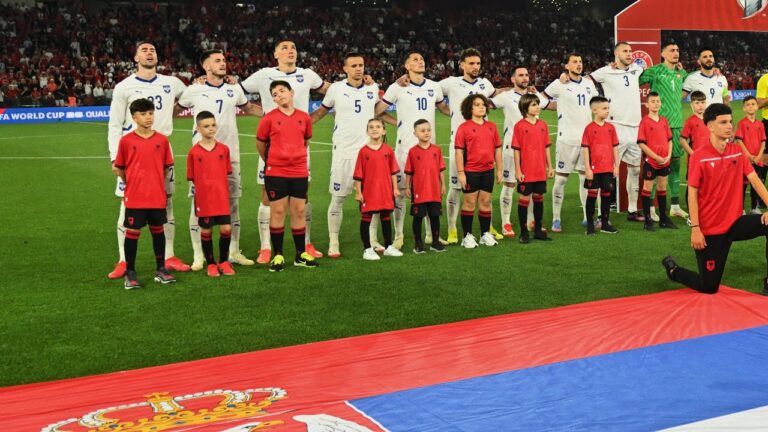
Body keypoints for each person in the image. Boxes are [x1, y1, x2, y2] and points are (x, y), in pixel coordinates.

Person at [662, 103, 768, 295]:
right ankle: (673, 271)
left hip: (735, 222)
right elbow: (692, 195)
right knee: (708, 287)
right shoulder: (699, 157)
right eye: (723, 122)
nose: (729, 126)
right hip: (710, 229)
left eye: (730, 122)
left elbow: (755, 180)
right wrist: (695, 229)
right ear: (710, 126)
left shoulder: (737, 151)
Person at [242, 40, 330, 263]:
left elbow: (332, 90)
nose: (290, 50)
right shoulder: (263, 75)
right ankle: (265, 248)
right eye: (284, 48)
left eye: (293, 48)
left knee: (303, 197)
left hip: (298, 152)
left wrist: (362, 82)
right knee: (267, 197)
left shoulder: (308, 74)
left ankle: (306, 244)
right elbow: (237, 90)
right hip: (273, 150)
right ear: (275, 54)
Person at [107, 41, 189, 279]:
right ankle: (123, 260)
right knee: (127, 203)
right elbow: (114, 124)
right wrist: (115, 157)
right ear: (136, 58)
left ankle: (169, 256)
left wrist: (204, 81)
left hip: (162, 148)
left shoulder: (172, 82)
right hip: (132, 152)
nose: (149, 53)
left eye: (152, 50)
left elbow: (191, 97)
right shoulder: (124, 87)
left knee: (167, 200)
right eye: (144, 50)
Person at [178, 49, 261, 270]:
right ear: (206, 66)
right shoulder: (194, 90)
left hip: (230, 155)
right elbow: (175, 108)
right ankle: (198, 255)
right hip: (202, 158)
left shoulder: (234, 88)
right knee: (197, 205)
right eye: (217, 61)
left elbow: (249, 107)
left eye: (224, 60)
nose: (223, 63)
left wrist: (274, 114)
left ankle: (233, 251)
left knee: (233, 203)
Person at [375, 51, 450, 250]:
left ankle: (430, 235)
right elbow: (377, 111)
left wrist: (463, 113)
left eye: (422, 59)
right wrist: (397, 122)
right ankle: (399, 235)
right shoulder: (397, 87)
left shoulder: (434, 86)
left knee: (431, 193)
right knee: (400, 193)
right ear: (406, 66)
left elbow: (444, 109)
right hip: (404, 149)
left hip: (429, 150)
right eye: (415, 60)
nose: (420, 61)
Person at [310, 53, 380, 258]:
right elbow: (320, 112)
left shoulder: (372, 88)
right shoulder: (336, 89)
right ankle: (334, 241)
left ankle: (372, 239)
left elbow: (379, 112)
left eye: (361, 65)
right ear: (345, 69)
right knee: (338, 198)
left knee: (370, 200)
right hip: (344, 152)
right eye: (354, 65)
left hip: (368, 153)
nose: (359, 69)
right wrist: (298, 126)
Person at [438, 48, 503, 244]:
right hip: (460, 144)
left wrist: (519, 88)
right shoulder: (451, 82)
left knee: (485, 193)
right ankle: (452, 228)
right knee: (456, 188)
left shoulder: (485, 83)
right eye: (471, 63)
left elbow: (497, 93)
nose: (476, 67)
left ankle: (487, 227)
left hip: (482, 145)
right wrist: (448, 111)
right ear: (462, 65)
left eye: (478, 63)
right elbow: (431, 91)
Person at [113, 98, 176, 289]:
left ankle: (161, 269)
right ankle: (130, 272)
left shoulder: (162, 140)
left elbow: (166, 167)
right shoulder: (126, 141)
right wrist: (134, 183)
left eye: (150, 113)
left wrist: (154, 183)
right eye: (143, 114)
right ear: (134, 117)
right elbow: (119, 168)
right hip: (135, 197)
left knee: (158, 231)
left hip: (156, 196)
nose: (148, 117)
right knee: (133, 233)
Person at [255, 81, 318, 272]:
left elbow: (305, 141)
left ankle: (300, 255)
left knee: (299, 211)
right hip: (276, 172)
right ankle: (278, 255)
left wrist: (295, 158)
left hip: (299, 171)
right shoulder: (268, 118)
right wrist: (274, 160)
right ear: (273, 100)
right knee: (278, 212)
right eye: (275, 94)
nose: (279, 95)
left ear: (291, 92)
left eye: (282, 91)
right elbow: (260, 144)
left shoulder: (304, 117)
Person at [491, 66, 553, 237]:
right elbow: (486, 104)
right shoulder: (506, 96)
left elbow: (552, 105)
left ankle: (532, 221)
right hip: (512, 148)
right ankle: (506, 222)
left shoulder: (534, 96)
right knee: (510, 184)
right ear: (513, 79)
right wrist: (495, 90)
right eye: (520, 75)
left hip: (533, 151)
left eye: (526, 75)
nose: (525, 78)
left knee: (533, 186)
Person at [589, 42, 645, 222]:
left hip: (635, 127)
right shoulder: (605, 71)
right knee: (606, 172)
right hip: (615, 127)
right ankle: (601, 214)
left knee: (634, 171)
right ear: (616, 54)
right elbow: (586, 80)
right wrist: (565, 77)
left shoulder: (636, 69)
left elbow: (646, 68)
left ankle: (632, 210)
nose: (629, 54)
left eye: (630, 51)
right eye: (625, 51)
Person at [543, 53, 598, 232]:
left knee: (585, 178)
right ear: (566, 66)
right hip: (566, 139)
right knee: (560, 179)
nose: (579, 64)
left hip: (586, 141)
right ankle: (556, 219)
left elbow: (596, 106)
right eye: (574, 62)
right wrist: (556, 106)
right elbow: (541, 99)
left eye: (580, 61)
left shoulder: (589, 84)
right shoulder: (559, 84)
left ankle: (587, 216)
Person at [640, 42, 688, 220]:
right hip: (658, 125)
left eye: (677, 50)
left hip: (677, 125)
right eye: (671, 50)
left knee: (675, 164)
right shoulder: (654, 71)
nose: (675, 53)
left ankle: (674, 206)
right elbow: (632, 80)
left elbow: (698, 78)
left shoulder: (682, 73)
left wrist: (716, 71)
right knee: (655, 165)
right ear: (663, 54)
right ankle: (651, 208)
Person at [186, 111, 236, 277]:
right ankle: (211, 263)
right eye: (206, 126)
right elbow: (192, 177)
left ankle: (223, 261)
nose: (211, 128)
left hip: (221, 196)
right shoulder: (194, 152)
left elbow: (226, 171)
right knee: (206, 231)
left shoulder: (224, 149)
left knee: (226, 228)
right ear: (198, 129)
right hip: (204, 198)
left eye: (213, 125)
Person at [455, 94, 502, 248]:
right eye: (477, 104)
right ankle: (467, 236)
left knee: (485, 202)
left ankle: (485, 234)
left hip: (488, 170)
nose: (481, 107)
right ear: (470, 108)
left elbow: (498, 149)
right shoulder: (463, 128)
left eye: (483, 104)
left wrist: (499, 169)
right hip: (470, 171)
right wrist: (461, 173)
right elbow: (459, 152)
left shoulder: (492, 126)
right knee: (469, 203)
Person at [353, 118, 403, 260]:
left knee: (386, 218)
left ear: (383, 131)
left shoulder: (388, 150)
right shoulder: (363, 152)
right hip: (369, 192)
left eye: (378, 126)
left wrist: (395, 188)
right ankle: (367, 249)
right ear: (367, 131)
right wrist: (358, 192)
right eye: (371, 127)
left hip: (385, 191)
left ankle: (388, 247)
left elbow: (393, 171)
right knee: (366, 219)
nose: (374, 129)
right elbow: (358, 175)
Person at [513, 94, 554, 244]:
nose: (537, 107)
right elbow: (516, 150)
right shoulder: (519, 126)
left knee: (539, 199)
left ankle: (538, 231)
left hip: (540, 170)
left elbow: (547, 147)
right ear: (525, 108)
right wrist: (518, 170)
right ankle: (524, 232)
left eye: (538, 104)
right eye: (534, 105)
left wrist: (550, 166)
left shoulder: (543, 125)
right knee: (524, 199)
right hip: (526, 170)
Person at [637, 92, 677, 231]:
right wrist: (655, 157)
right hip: (651, 161)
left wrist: (669, 155)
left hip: (665, 161)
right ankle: (648, 220)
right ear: (647, 105)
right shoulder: (644, 122)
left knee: (662, 188)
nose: (656, 103)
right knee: (647, 189)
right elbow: (641, 143)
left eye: (658, 101)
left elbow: (670, 140)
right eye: (653, 101)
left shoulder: (664, 120)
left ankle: (663, 219)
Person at [406, 119, 447, 254]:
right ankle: (418, 243)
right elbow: (409, 172)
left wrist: (443, 185)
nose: (426, 133)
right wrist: (407, 187)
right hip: (419, 190)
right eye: (422, 131)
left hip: (434, 190)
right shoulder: (412, 152)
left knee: (435, 217)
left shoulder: (437, 150)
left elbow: (441, 169)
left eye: (428, 130)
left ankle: (435, 242)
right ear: (415, 133)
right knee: (418, 217)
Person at [581, 96, 620, 235]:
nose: (607, 111)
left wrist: (616, 166)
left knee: (606, 196)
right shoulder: (589, 128)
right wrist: (587, 168)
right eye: (604, 108)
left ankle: (605, 224)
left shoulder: (611, 128)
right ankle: (590, 225)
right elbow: (585, 149)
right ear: (594, 111)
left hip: (608, 169)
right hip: (594, 170)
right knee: (592, 196)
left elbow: (615, 147)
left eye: (608, 108)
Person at [735, 96, 767, 214]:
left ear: (757, 107)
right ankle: (741, 209)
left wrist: (759, 156)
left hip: (758, 160)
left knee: (756, 184)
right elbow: (739, 141)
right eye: (747, 104)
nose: (751, 106)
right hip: (745, 160)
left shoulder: (760, 124)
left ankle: (754, 208)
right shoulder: (742, 123)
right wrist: (749, 156)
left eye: (753, 104)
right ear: (744, 108)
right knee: (743, 186)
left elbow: (763, 141)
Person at [680, 91, 709, 156]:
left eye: (703, 102)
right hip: (696, 157)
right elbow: (682, 140)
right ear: (691, 104)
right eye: (697, 103)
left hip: (708, 156)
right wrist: (693, 154)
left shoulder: (710, 120)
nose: (700, 105)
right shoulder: (690, 121)